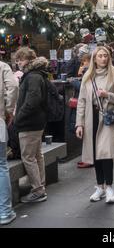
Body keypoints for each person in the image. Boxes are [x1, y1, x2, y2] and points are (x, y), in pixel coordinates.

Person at [75, 46, 114, 204]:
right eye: (100, 56)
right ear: (94, 59)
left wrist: (107, 95)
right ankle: (99, 187)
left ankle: (109, 187)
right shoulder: (88, 76)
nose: (103, 58)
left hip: (108, 118)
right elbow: (82, 102)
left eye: (105, 56)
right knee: (96, 154)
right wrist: (79, 124)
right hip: (91, 118)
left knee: (106, 153)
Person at [14, 47, 49, 203]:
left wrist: (18, 118)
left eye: (20, 59)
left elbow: (32, 101)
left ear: (28, 60)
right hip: (36, 121)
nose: (18, 63)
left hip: (29, 122)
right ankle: (40, 185)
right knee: (36, 156)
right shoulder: (36, 74)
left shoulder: (32, 77)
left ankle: (38, 190)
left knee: (28, 157)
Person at [0, 61, 18, 225]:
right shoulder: (2, 67)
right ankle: (4, 212)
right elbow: (13, 87)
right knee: (1, 165)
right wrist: (8, 110)